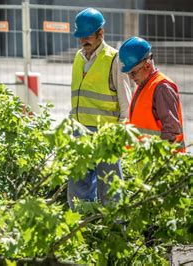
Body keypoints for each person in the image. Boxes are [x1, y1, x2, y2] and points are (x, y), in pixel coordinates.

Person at [68, 8, 134, 209]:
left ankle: (116, 234)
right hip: (80, 132)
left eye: (87, 36)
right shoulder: (79, 57)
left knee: (111, 189)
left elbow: (126, 102)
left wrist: (122, 134)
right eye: (80, 37)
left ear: (101, 33)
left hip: (107, 135)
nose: (83, 41)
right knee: (78, 187)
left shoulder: (114, 59)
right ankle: (84, 231)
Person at [118, 37, 185, 151]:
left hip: (158, 163)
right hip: (144, 162)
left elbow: (171, 131)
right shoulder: (145, 85)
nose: (131, 78)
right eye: (129, 74)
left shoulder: (161, 87)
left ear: (147, 65)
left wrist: (158, 162)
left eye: (133, 73)